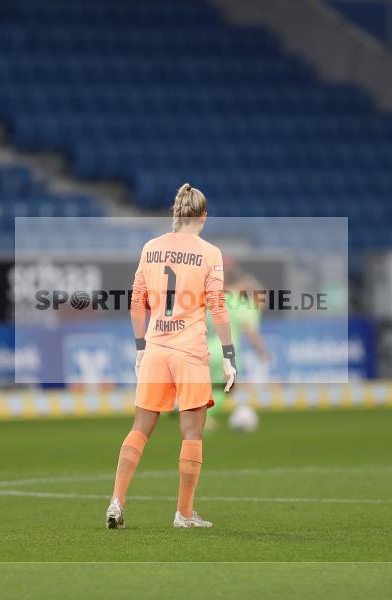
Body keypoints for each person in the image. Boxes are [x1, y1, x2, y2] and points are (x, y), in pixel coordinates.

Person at [105, 183, 236, 530]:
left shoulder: (151, 248)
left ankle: (116, 500)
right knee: (192, 433)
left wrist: (140, 348)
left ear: (176, 213)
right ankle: (184, 514)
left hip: (156, 348)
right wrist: (228, 354)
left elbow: (136, 302)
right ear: (203, 216)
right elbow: (218, 307)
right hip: (189, 351)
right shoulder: (210, 253)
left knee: (140, 428)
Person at [205, 265, 269, 429]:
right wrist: (262, 352)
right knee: (229, 388)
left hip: (207, 349)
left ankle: (183, 410)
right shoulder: (245, 306)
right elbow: (251, 333)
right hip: (227, 352)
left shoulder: (218, 299)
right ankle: (206, 416)